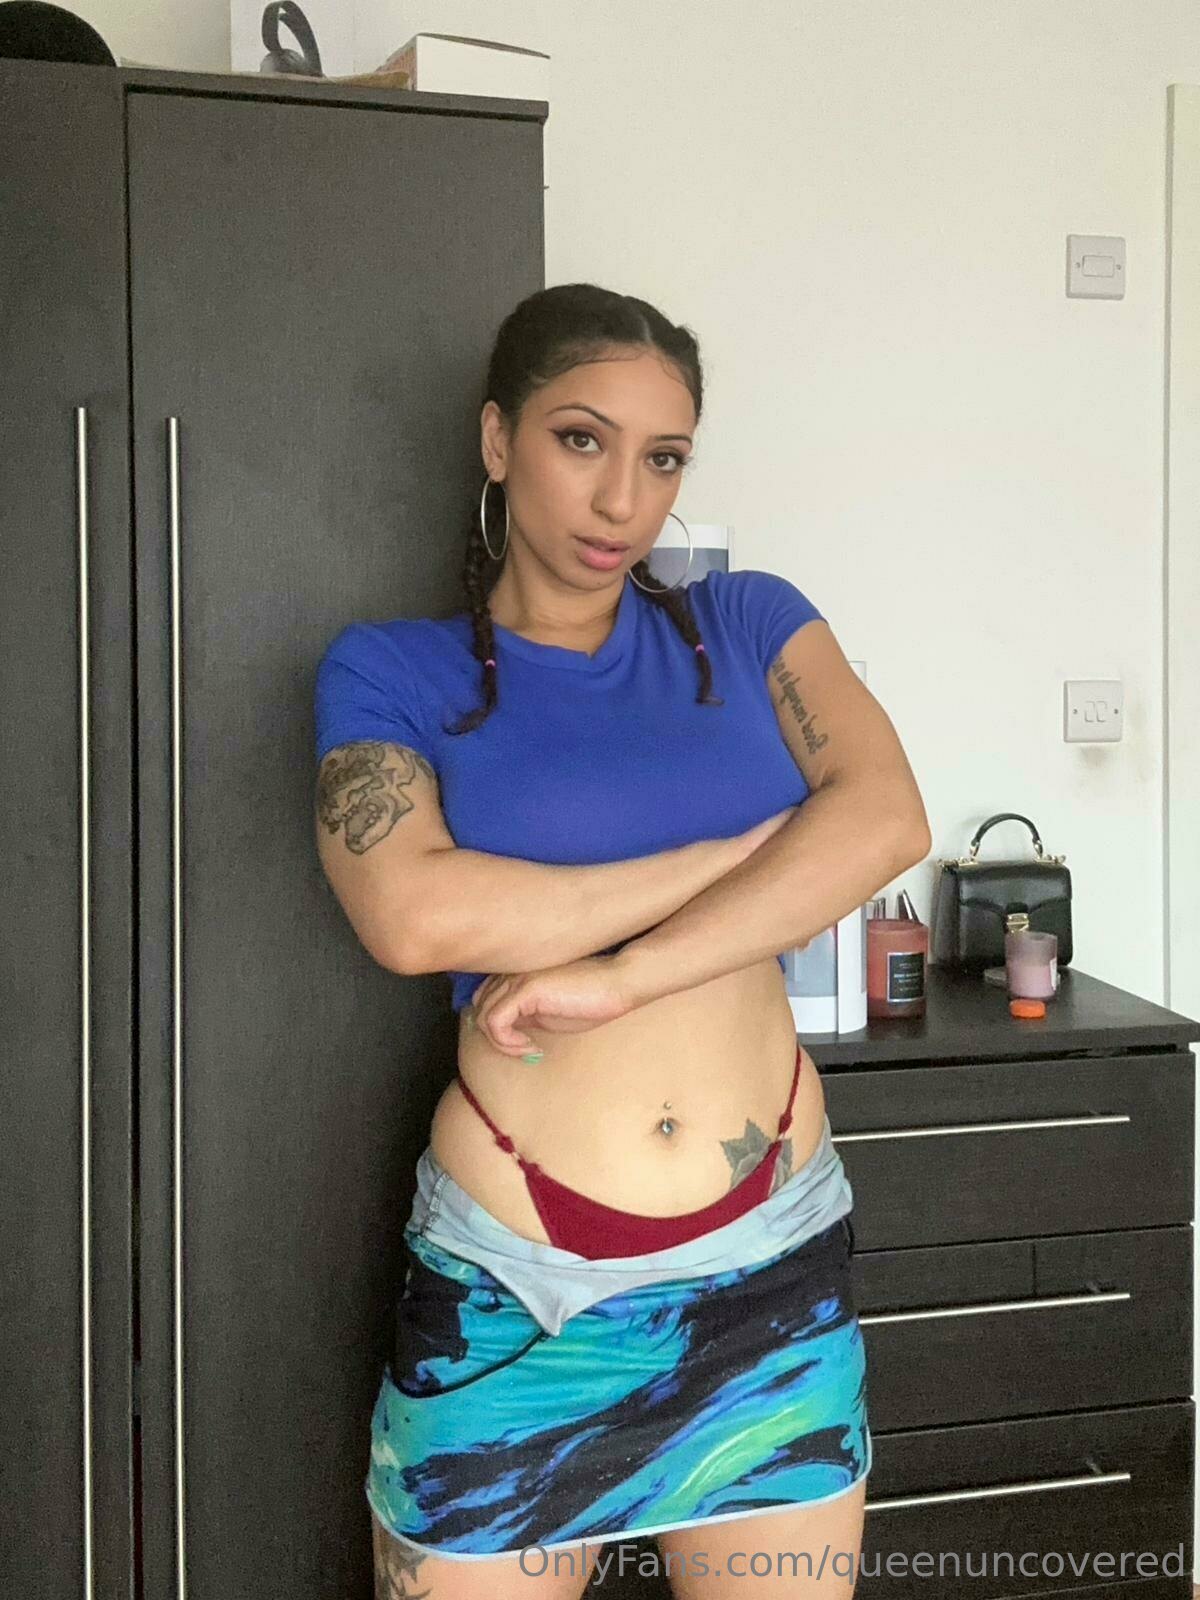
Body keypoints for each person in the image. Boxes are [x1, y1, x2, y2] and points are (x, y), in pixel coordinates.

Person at [314, 283, 931, 1599]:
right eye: (581, 440)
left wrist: (621, 975)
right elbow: (412, 913)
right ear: (499, 439)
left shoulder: (749, 623)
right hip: (518, 1306)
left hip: (772, 1277)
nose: (621, 501)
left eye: (663, 459)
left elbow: (884, 819)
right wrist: (738, 857)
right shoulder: (393, 670)